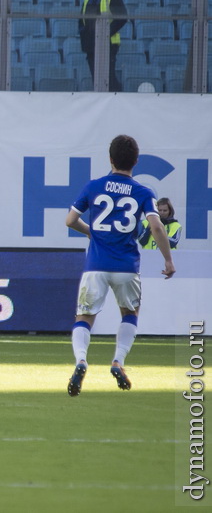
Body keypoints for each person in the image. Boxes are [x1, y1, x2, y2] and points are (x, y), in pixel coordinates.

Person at [64, 135, 175, 397]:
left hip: (96, 266)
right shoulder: (143, 192)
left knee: (84, 318)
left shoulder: (94, 186)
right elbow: (157, 226)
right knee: (129, 314)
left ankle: (81, 360)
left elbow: (70, 220)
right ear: (135, 161)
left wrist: (92, 232)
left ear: (110, 159)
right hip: (126, 266)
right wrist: (168, 259)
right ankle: (118, 362)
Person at [79, 0, 128, 92]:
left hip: (108, 44)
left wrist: (105, 33)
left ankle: (116, 98)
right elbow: (82, 20)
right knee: (96, 77)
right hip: (91, 45)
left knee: (108, 77)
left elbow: (121, 18)